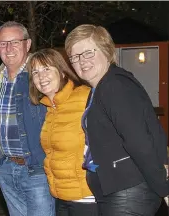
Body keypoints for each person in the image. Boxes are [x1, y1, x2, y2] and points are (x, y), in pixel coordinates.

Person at [65, 24, 168, 215]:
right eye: (75, 57)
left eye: (88, 53)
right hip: (116, 190)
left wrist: (163, 187)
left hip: (128, 191)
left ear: (106, 50)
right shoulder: (99, 89)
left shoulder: (114, 85)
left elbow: (140, 140)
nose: (81, 61)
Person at [0, 21, 55, 216]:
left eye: (15, 42)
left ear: (28, 44)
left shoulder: (41, 77)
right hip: (6, 168)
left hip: (37, 169)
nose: (9, 48)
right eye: (3, 43)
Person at [28, 48, 97, 215]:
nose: (41, 76)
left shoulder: (85, 98)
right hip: (62, 196)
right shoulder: (51, 108)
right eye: (35, 72)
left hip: (87, 197)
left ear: (62, 72)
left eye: (46, 69)